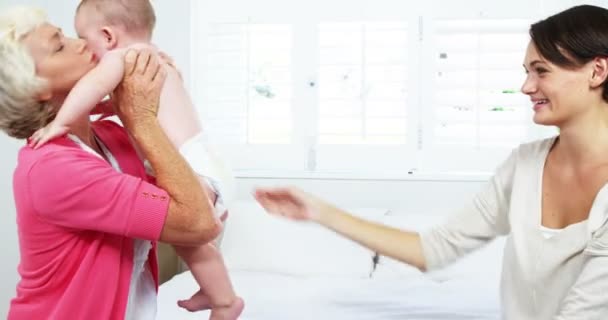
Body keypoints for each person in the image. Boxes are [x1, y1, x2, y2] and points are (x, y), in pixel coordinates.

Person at [254, 5, 608, 320]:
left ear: (597, 71)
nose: (526, 87)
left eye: (540, 71)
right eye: (526, 71)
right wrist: (320, 212)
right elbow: (434, 249)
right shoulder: (525, 165)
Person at [0, 5, 225, 320]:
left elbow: (194, 207)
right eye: (60, 46)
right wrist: (141, 118)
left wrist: (160, 93)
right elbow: (199, 223)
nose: (80, 43)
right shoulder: (53, 168)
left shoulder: (112, 137)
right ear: (36, 88)